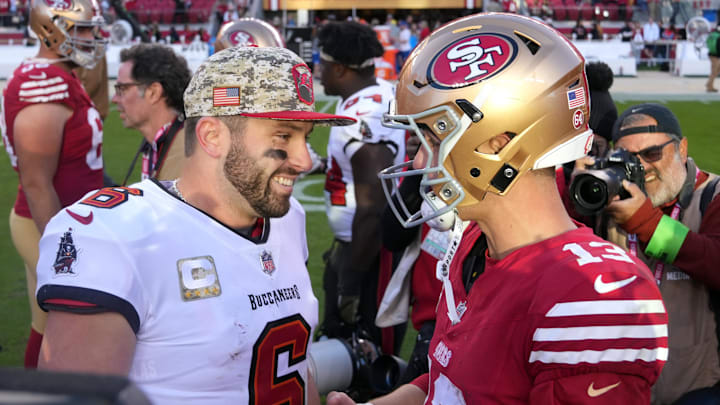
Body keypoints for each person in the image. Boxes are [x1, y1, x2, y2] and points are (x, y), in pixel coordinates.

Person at [328, 13, 668, 405]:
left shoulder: (591, 294)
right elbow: (451, 377)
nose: (421, 161)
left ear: (498, 144)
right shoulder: (475, 244)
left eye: (433, 137)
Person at [35, 46, 356, 404]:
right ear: (212, 136)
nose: (303, 159)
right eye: (283, 136)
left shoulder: (287, 218)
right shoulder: (115, 236)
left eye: (305, 138)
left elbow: (288, 368)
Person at [575, 103, 720, 404]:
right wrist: (578, 190)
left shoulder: (713, 196)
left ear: (681, 148)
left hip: (696, 387)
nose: (642, 168)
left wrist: (647, 225)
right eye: (628, 158)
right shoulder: (607, 201)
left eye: (652, 154)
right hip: (618, 385)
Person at [1, 0, 106, 368]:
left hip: (67, 221)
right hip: (48, 222)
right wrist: (62, 250)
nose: (94, 37)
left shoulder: (62, 73)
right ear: (52, 29)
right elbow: (36, 181)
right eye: (84, 29)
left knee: (50, 328)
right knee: (61, 332)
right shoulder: (41, 81)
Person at [317, 21, 406, 346]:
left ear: (340, 68)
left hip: (369, 253)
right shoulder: (380, 93)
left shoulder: (361, 115)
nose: (318, 70)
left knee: (362, 360)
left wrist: (350, 282)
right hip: (367, 247)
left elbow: (373, 204)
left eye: (322, 63)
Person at [112, 43, 191, 184]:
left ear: (153, 92)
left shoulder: (189, 155)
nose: (114, 99)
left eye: (122, 89)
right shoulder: (160, 143)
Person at [706, 24, 720, 93]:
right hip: (716, 55)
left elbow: (707, 42)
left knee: (716, 70)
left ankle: (709, 84)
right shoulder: (718, 36)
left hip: (711, 54)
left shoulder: (712, 34)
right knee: (714, 71)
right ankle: (709, 86)